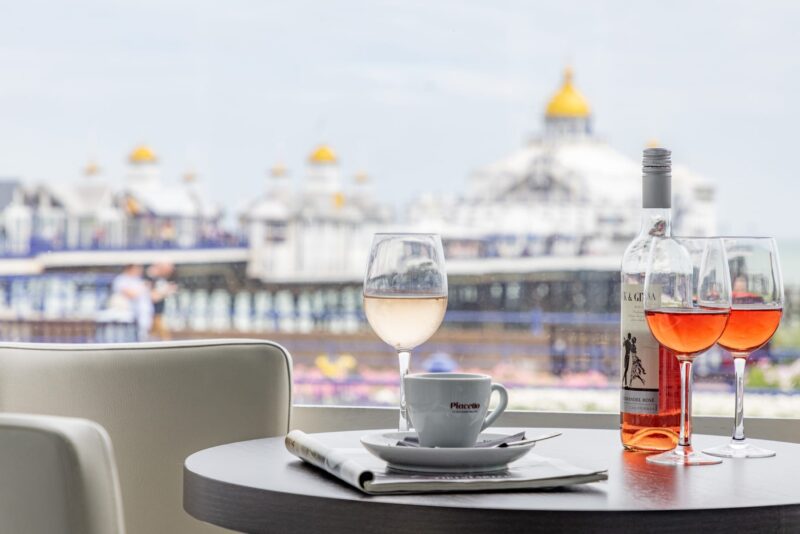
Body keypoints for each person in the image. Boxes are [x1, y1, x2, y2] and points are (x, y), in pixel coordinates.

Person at [111, 264, 153, 340]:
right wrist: (144, 288)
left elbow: (150, 295)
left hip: (143, 314)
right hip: (128, 314)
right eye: (137, 267)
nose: (140, 270)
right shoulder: (121, 279)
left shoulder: (138, 279)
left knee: (143, 335)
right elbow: (130, 294)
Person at [145, 262, 177, 340]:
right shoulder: (150, 279)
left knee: (155, 335)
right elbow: (153, 297)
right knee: (163, 335)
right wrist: (166, 291)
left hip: (158, 312)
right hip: (151, 313)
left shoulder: (160, 279)